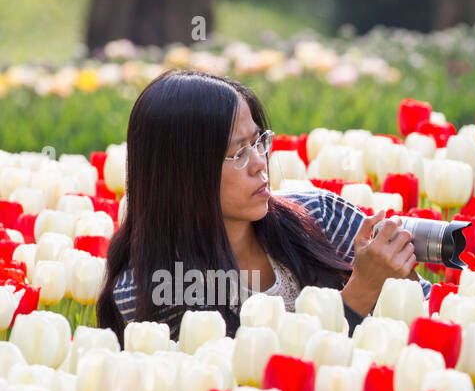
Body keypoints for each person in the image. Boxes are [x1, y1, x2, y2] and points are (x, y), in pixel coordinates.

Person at [96, 68, 428, 341]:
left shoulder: (318, 216)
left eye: (258, 142)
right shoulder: (148, 286)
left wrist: (401, 274)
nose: (260, 163)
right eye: (239, 152)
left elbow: (433, 312)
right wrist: (361, 291)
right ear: (182, 173)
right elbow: (253, 383)